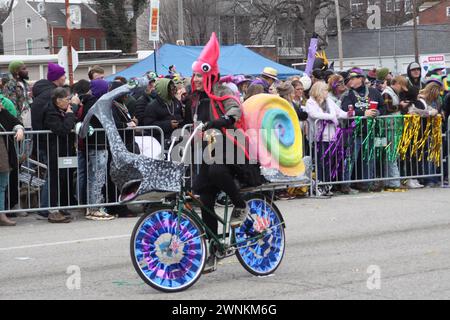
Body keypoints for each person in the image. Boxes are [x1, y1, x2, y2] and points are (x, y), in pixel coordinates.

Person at [186, 33, 253, 273]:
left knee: (216, 171)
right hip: (208, 151)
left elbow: (234, 109)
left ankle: (240, 204)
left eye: (198, 75)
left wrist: (222, 120)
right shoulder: (196, 99)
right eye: (193, 74)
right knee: (204, 199)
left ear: (208, 75)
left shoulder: (222, 89)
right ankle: (214, 248)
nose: (194, 79)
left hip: (231, 149)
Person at [341, 68, 386, 193]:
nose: (350, 81)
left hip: (371, 131)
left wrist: (378, 112)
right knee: (351, 158)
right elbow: (345, 110)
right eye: (349, 79)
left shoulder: (373, 92)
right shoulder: (348, 94)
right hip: (354, 132)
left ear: (360, 78)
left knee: (369, 158)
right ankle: (345, 184)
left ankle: (367, 183)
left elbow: (383, 107)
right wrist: (363, 112)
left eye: (353, 78)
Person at [305, 81, 351, 196]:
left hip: (331, 136)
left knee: (329, 163)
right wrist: (331, 117)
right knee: (320, 163)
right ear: (319, 91)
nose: (327, 92)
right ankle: (320, 186)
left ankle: (327, 185)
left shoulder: (329, 101)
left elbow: (339, 112)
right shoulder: (310, 102)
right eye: (325, 90)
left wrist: (348, 114)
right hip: (319, 137)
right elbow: (314, 115)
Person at [42, 88, 78, 223]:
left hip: (64, 150)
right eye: (67, 99)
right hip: (54, 150)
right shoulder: (51, 112)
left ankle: (61, 207)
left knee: (63, 179)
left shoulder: (61, 110)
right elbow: (62, 130)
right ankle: (53, 211)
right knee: (54, 180)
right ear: (58, 101)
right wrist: (70, 114)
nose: (69, 102)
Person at [83, 79, 116, 221]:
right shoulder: (97, 104)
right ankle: (95, 208)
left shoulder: (88, 102)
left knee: (93, 177)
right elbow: (105, 121)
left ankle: (92, 207)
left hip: (94, 145)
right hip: (98, 145)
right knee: (98, 178)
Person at [381, 76, 410, 191]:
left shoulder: (392, 93)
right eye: (401, 86)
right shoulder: (387, 93)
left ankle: (391, 181)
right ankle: (395, 182)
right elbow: (387, 108)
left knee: (392, 155)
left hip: (393, 127)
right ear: (397, 83)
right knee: (392, 155)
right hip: (389, 127)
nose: (402, 90)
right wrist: (401, 106)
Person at [0, 102, 25, 226]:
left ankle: (1, 214)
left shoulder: (3, 113)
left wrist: (19, 129)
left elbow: (16, 122)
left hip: (4, 155)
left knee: (2, 186)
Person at [142, 78, 185, 146]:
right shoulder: (152, 106)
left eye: (174, 88)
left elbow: (181, 116)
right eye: (171, 89)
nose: (174, 91)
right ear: (163, 90)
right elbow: (149, 126)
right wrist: (168, 124)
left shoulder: (176, 101)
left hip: (178, 139)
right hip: (163, 142)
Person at [3, 60, 32, 128]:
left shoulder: (26, 84)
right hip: (19, 124)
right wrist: (18, 123)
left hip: (28, 121)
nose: (27, 71)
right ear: (16, 71)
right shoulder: (10, 85)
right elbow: (12, 106)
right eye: (24, 69)